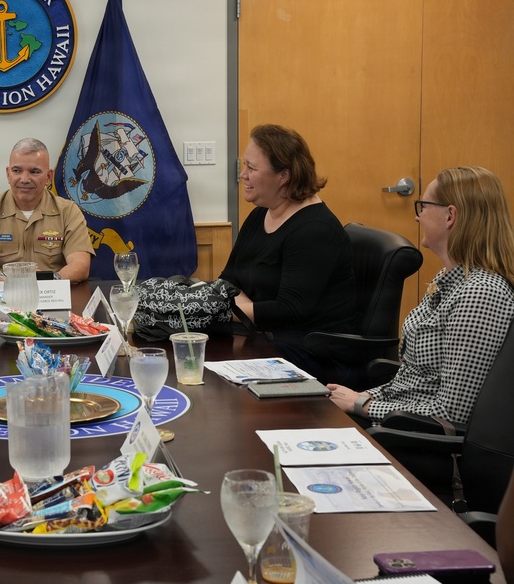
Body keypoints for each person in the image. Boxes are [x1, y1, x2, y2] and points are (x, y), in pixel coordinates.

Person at [328, 166, 514, 425]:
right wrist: (359, 397)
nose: (418, 217)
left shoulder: (480, 295)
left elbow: (451, 414)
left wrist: (364, 406)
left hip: (419, 439)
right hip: (396, 417)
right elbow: (413, 381)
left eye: (423, 207)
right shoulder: (447, 278)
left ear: (450, 216)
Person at [220, 124, 355, 380]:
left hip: (310, 354)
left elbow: (290, 310)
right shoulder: (260, 213)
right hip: (264, 337)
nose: (242, 174)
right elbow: (227, 280)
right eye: (244, 165)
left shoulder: (315, 230)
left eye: (252, 167)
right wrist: (237, 305)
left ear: (283, 176)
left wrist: (232, 307)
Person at [0, 138, 94, 284]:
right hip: (4, 298)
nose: (25, 179)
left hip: (53, 296)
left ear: (48, 177)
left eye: (34, 171)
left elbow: (81, 266)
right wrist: (22, 281)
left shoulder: (68, 212)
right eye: (17, 171)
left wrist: (49, 281)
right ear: (8, 174)